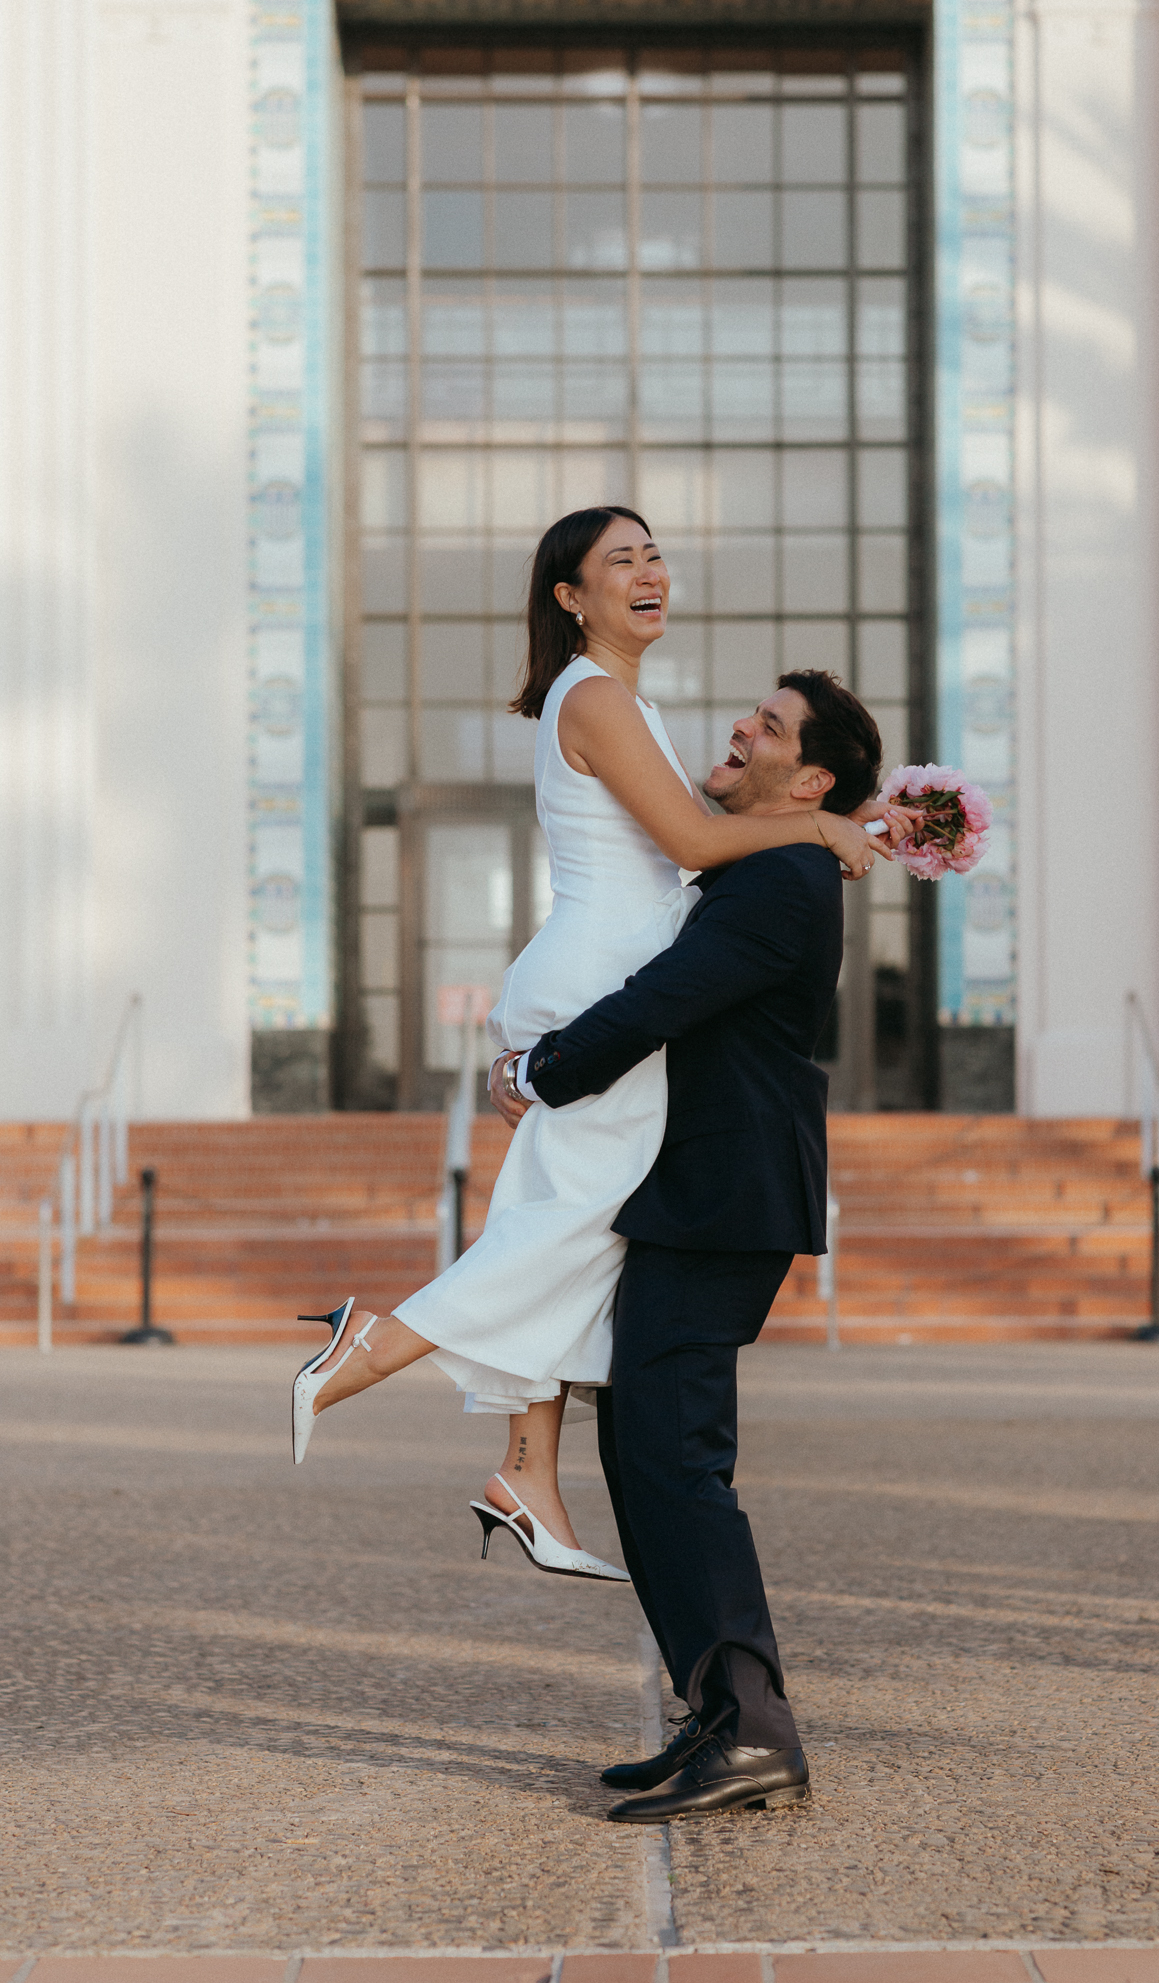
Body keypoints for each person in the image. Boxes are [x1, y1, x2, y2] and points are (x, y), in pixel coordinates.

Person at [290, 505, 906, 1581]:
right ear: (572, 598)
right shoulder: (599, 696)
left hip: (592, 969)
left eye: (655, 552)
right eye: (619, 560)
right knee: (572, 1228)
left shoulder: (612, 697)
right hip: (604, 979)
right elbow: (694, 842)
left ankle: (527, 1471)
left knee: (570, 1221)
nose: (648, 569)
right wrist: (822, 825)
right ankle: (368, 1344)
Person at [487, 666, 883, 1818]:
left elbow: (664, 997)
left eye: (769, 727)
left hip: (725, 1194)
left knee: (677, 1456)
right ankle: (719, 1712)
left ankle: (752, 1726)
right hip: (696, 1192)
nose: (741, 729)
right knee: (645, 1448)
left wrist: (541, 1068)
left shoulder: (791, 875)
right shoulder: (765, 865)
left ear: (810, 779)